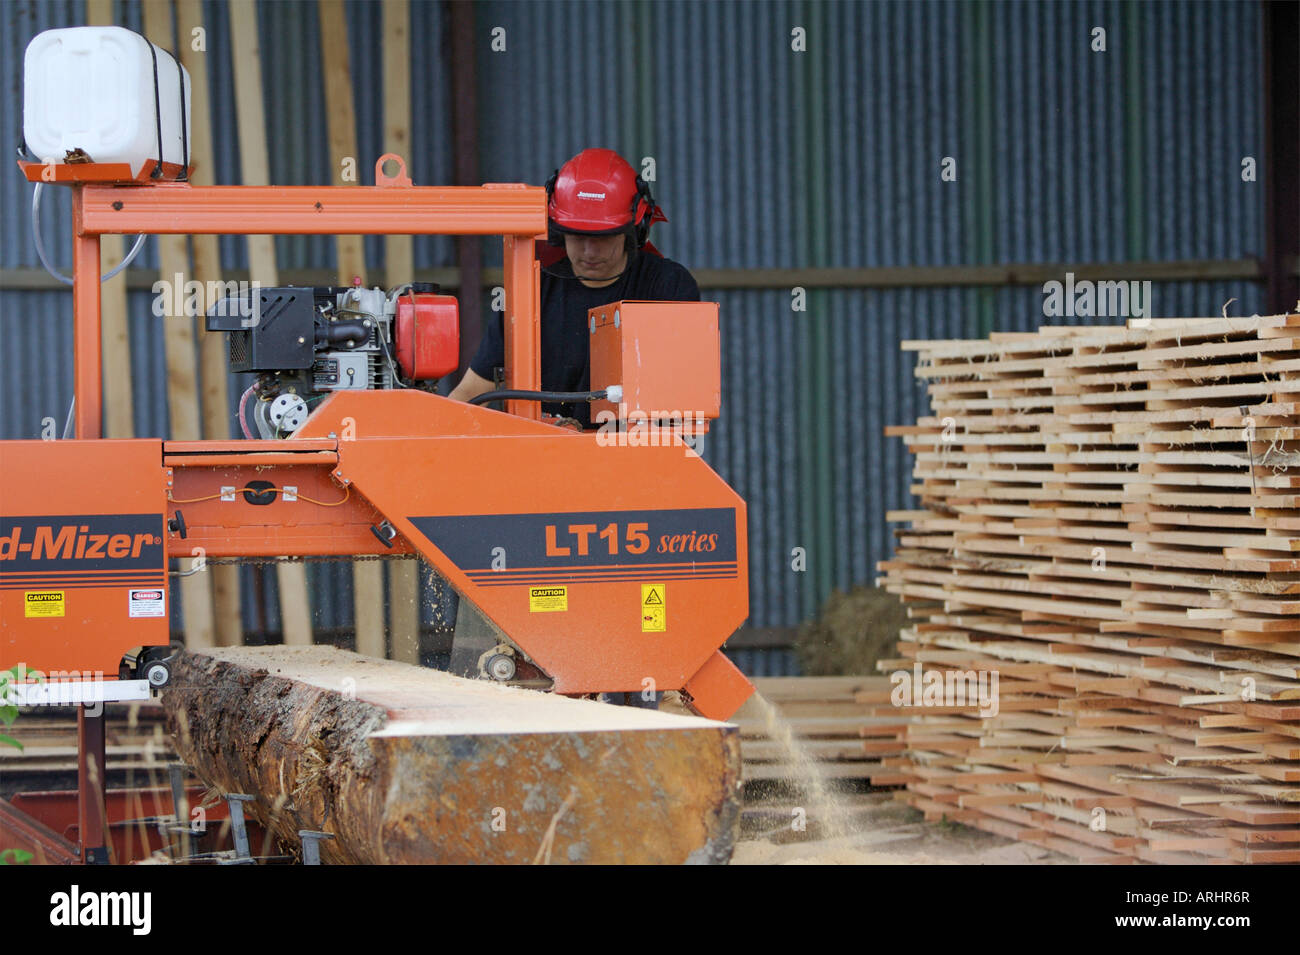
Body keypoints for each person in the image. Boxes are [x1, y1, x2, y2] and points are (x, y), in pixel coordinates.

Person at [448, 147, 700, 428]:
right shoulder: (528, 293)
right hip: (544, 459)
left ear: (633, 228)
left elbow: (678, 408)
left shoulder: (667, 289)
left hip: (636, 460)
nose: (590, 251)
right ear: (558, 230)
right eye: (578, 236)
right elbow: (470, 393)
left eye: (603, 236)